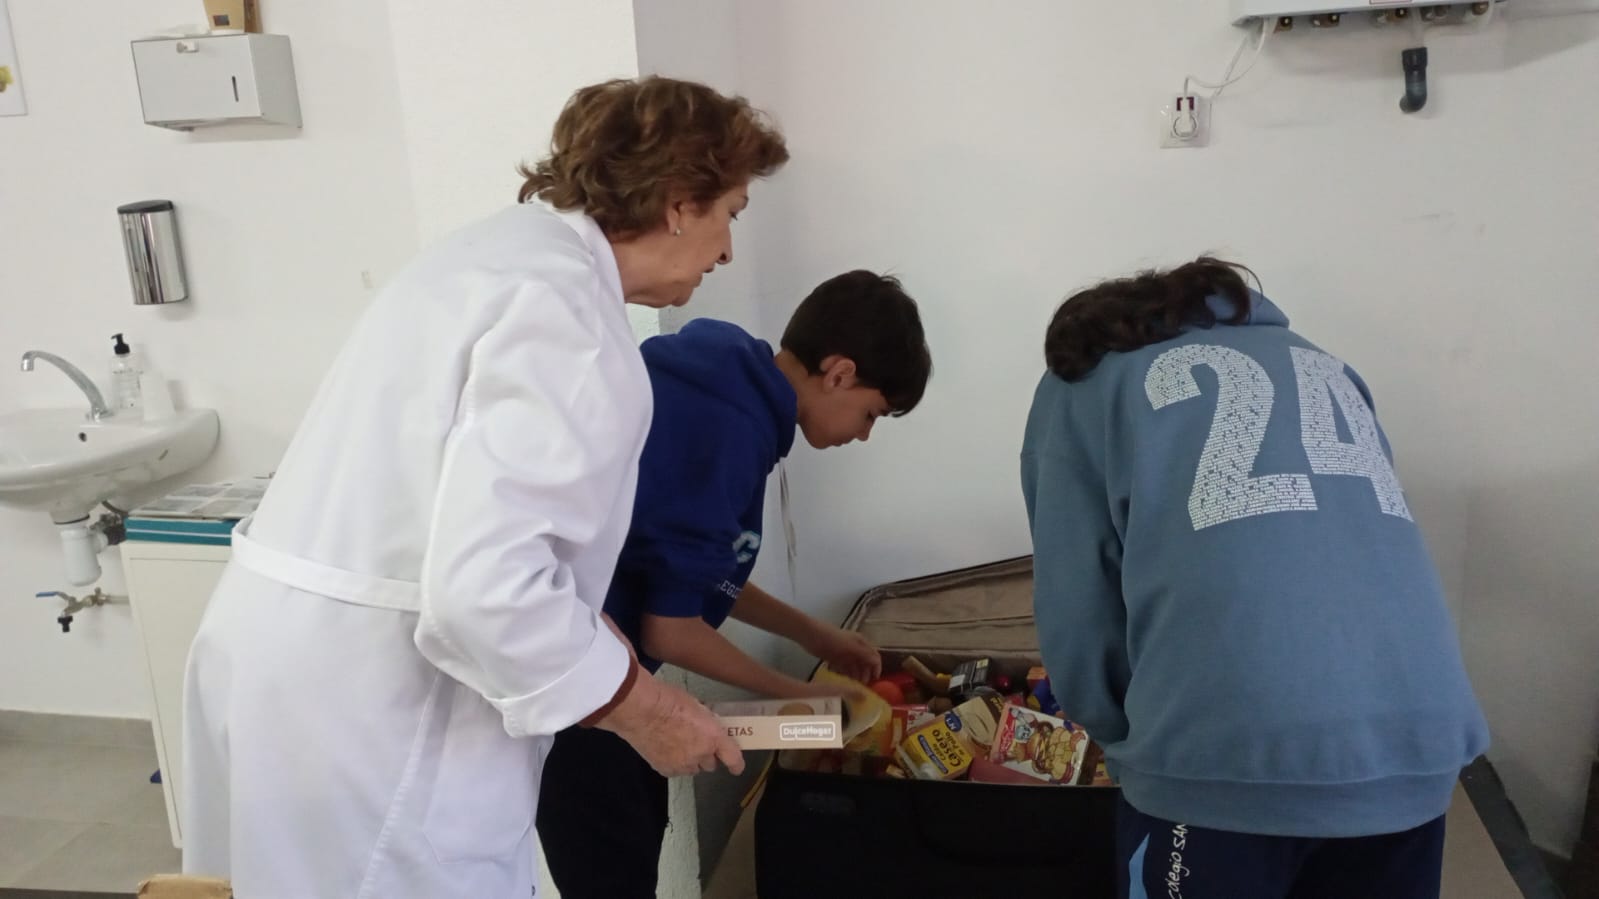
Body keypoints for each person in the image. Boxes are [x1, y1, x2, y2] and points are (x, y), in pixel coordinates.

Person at [180, 76, 788, 899]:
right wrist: (647, 709)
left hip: (283, 653)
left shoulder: (498, 254)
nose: (726, 251)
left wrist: (597, 644)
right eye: (730, 214)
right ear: (680, 203)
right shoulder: (570, 320)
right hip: (372, 701)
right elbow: (489, 589)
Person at [1020, 258, 1488, 899]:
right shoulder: (1328, 365)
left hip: (1226, 753)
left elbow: (1077, 600)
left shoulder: (1084, 378)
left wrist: (1125, 739)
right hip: (1420, 740)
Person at [536, 270, 933, 898]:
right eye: (871, 414)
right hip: (577, 690)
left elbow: (700, 571)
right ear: (839, 373)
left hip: (611, 680)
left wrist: (815, 635)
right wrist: (804, 702)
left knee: (638, 833)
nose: (863, 433)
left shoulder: (735, 387)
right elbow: (670, 631)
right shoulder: (728, 428)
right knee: (613, 872)